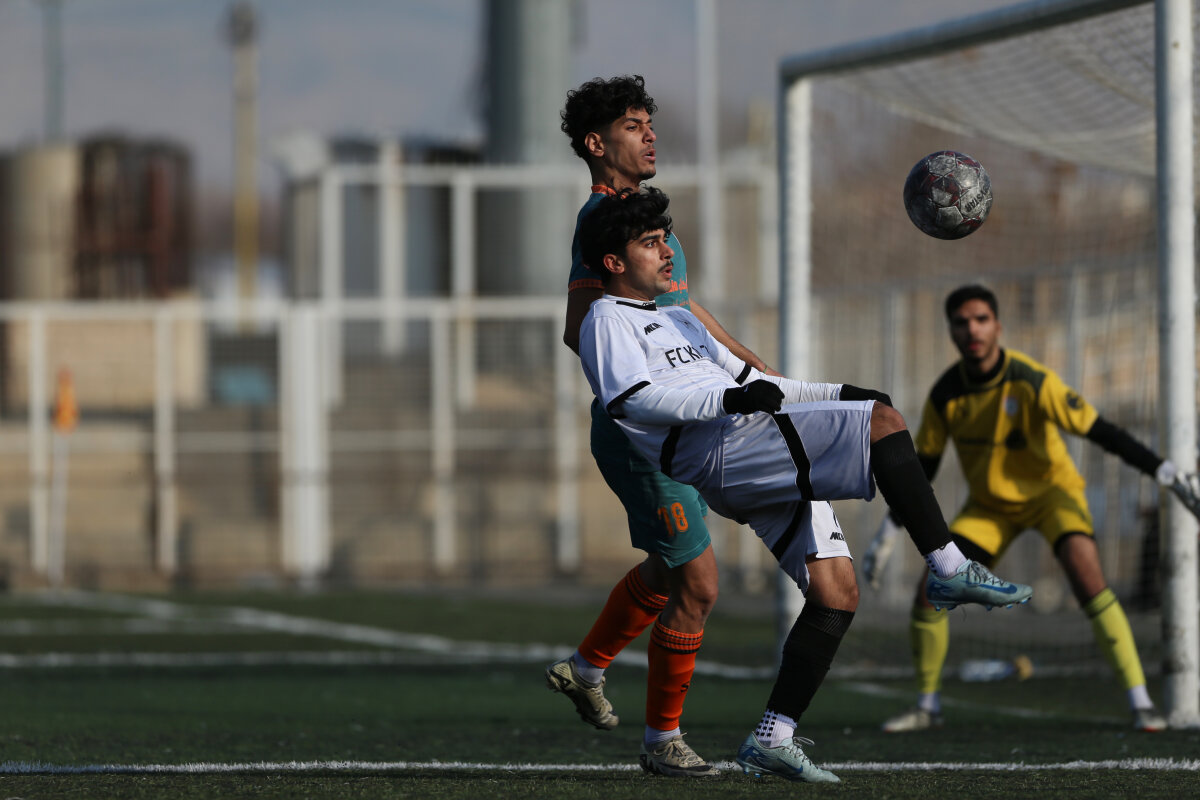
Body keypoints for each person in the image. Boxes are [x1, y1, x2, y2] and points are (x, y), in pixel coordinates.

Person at [574, 187, 1033, 783]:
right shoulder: (605, 318)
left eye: (665, 240)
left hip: (747, 445)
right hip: (723, 449)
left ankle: (774, 736)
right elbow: (631, 400)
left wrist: (842, 393)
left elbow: (766, 383)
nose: (667, 253)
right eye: (650, 243)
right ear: (614, 262)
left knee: (837, 591)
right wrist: (731, 400)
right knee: (884, 427)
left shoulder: (679, 318)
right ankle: (948, 568)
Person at [545, 74, 774, 778]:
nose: (650, 136)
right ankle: (662, 742)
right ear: (596, 143)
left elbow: (681, 309)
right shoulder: (600, 220)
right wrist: (645, 397)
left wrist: (751, 366)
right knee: (698, 583)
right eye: (633, 126)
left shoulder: (641, 214)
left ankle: (587, 667)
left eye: (650, 124)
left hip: (685, 424)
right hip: (649, 432)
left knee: (669, 564)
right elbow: (580, 327)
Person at [863, 283, 1200, 734]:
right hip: (989, 508)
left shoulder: (1032, 380)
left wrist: (1165, 471)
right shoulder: (945, 394)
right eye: (962, 323)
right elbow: (922, 468)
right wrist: (887, 533)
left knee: (1087, 576)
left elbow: (1100, 430)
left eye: (981, 319)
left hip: (1051, 497)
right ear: (951, 332)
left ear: (998, 326)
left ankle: (1141, 704)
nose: (972, 330)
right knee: (932, 588)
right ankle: (927, 707)